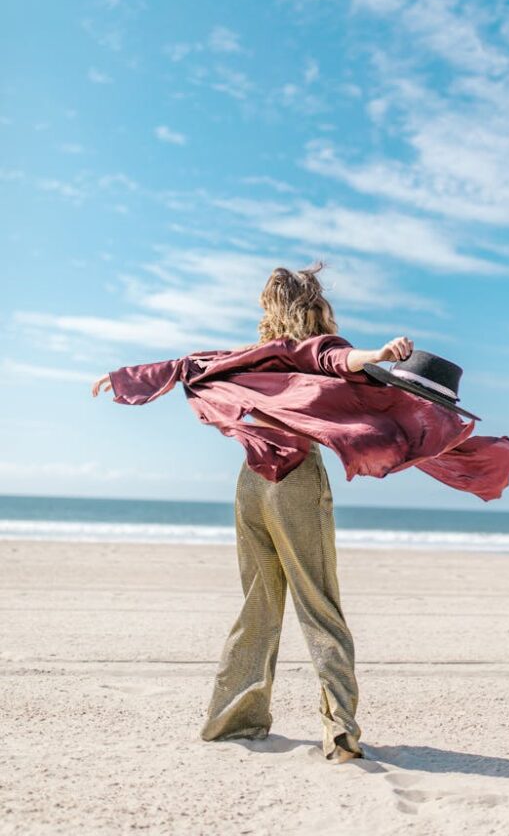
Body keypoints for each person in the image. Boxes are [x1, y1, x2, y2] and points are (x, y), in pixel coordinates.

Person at [92, 261, 414, 764]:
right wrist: (381, 354)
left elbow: (188, 364)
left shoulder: (252, 357)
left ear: (272, 310)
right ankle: (342, 735)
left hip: (250, 484)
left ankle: (233, 722)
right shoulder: (309, 348)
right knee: (319, 604)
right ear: (315, 311)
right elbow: (340, 360)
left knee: (259, 604)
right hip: (294, 484)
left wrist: (123, 379)